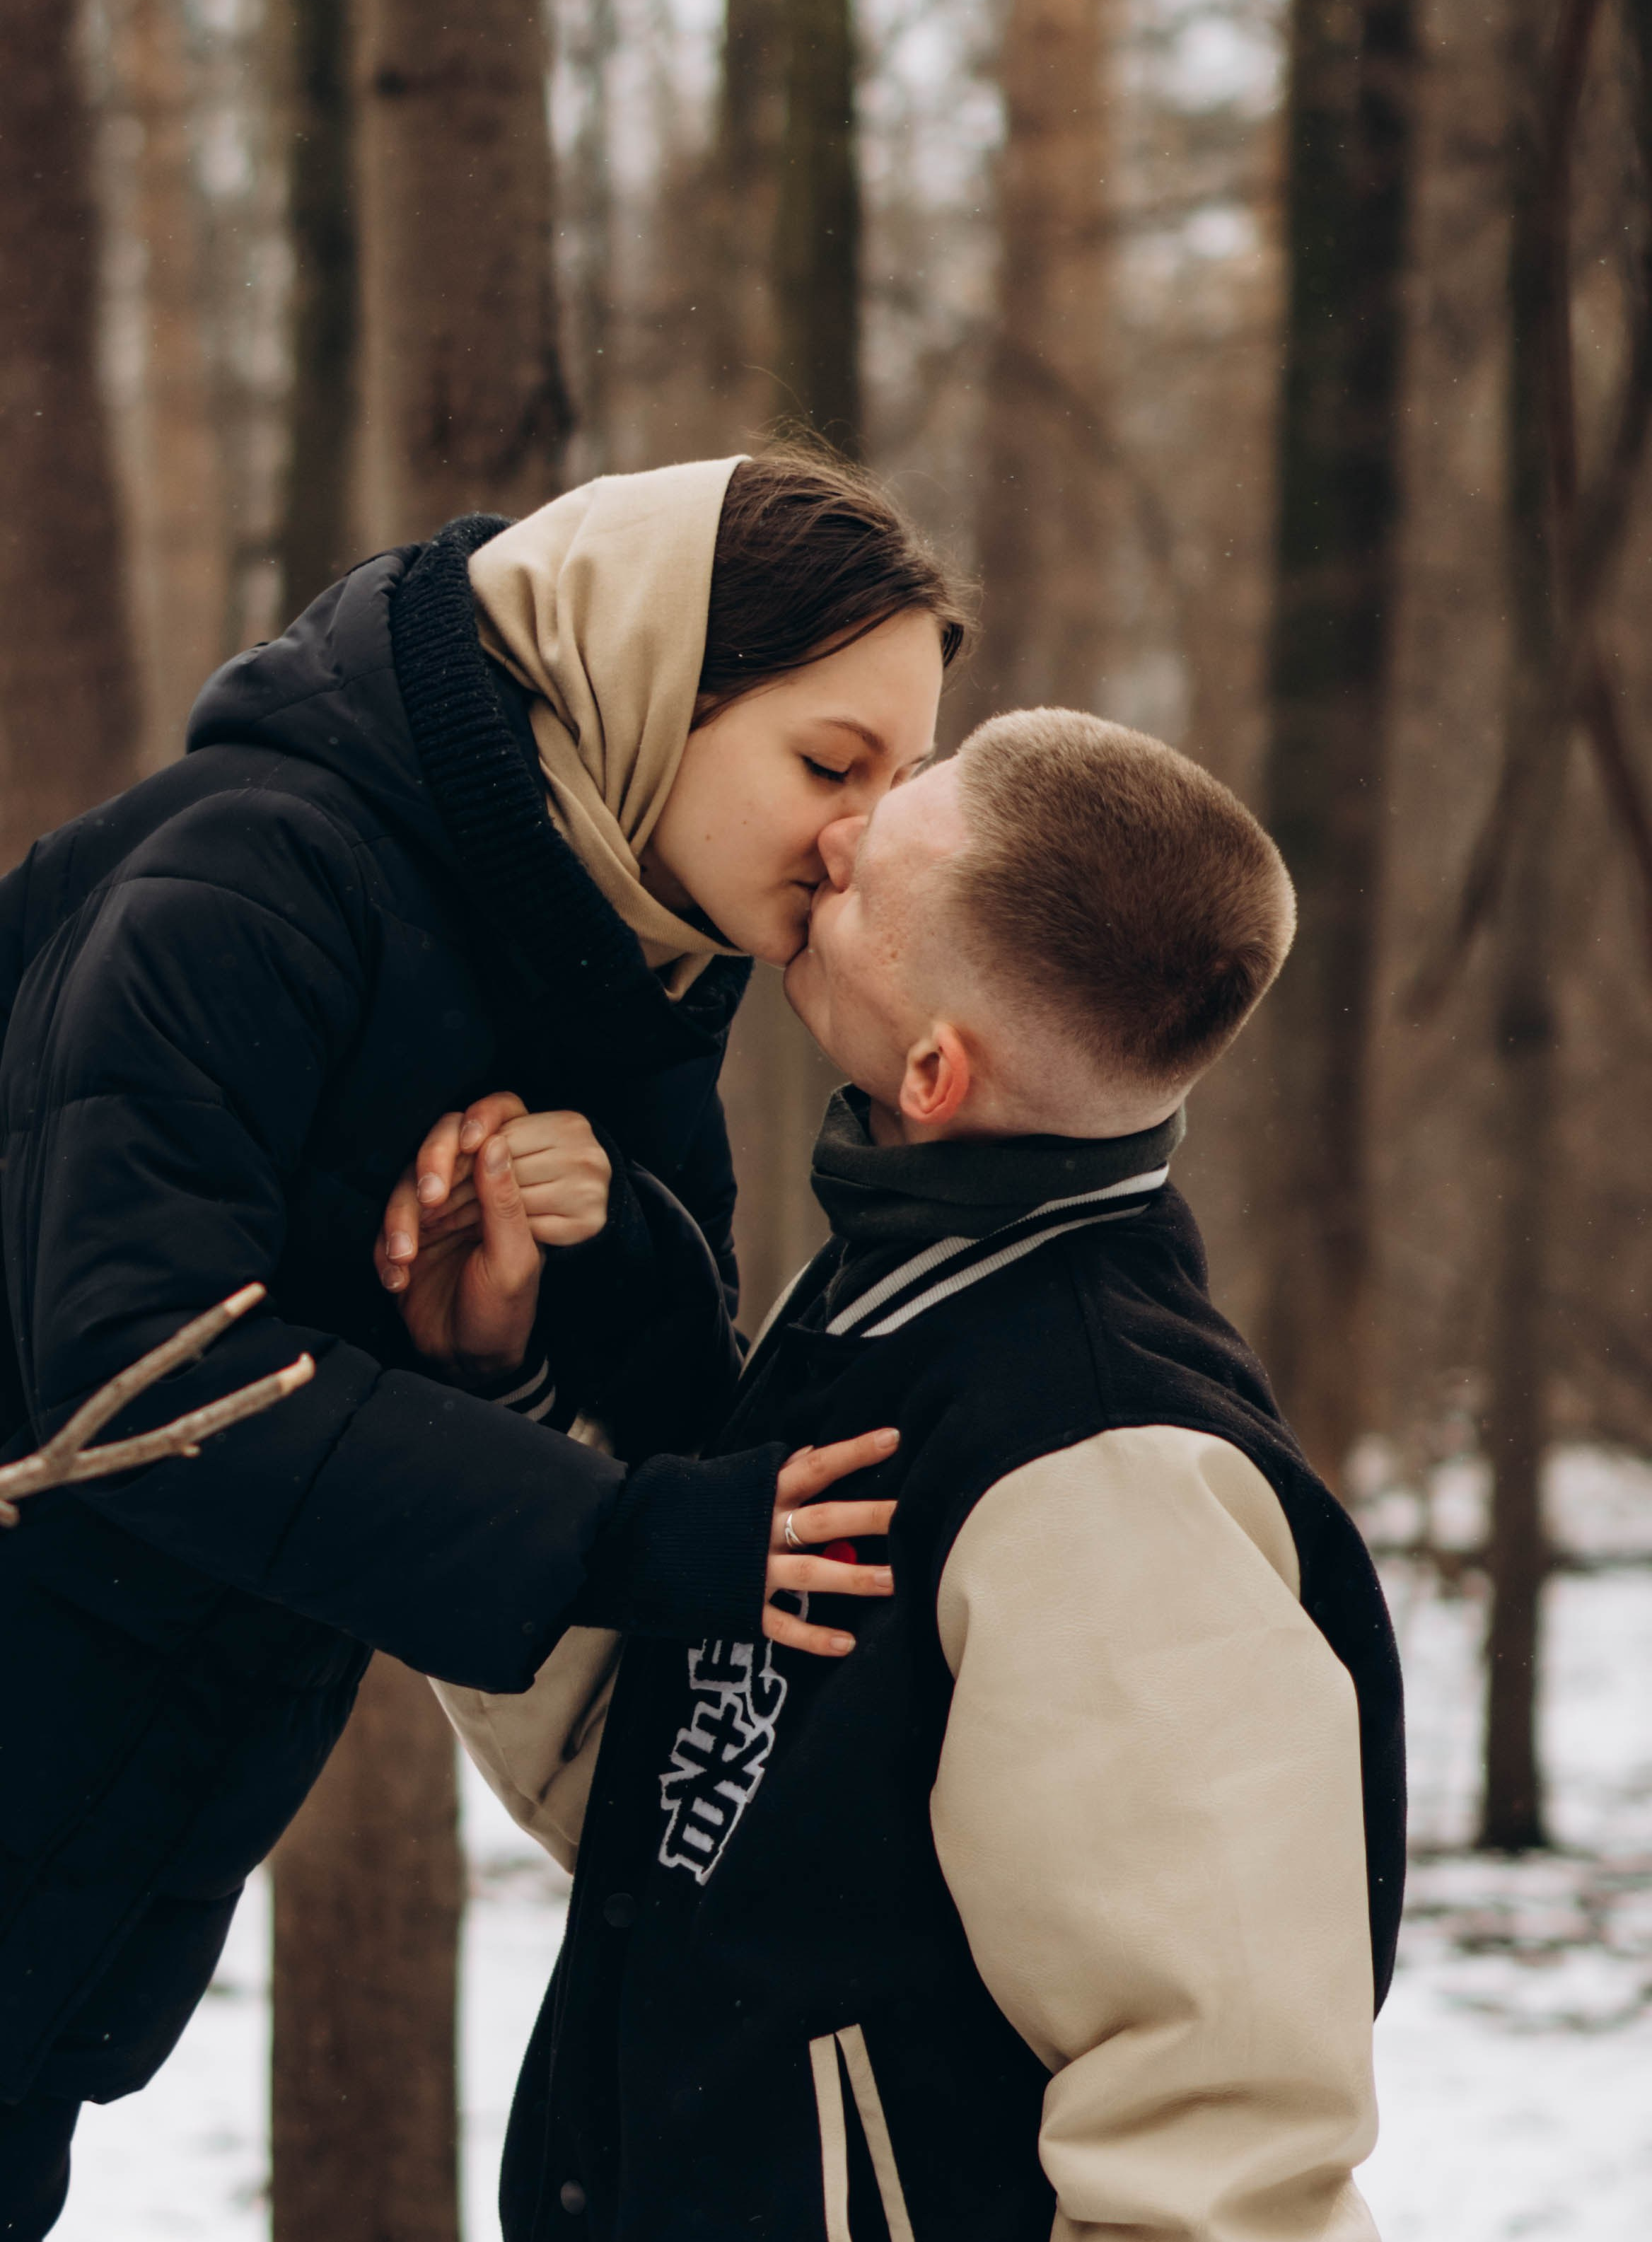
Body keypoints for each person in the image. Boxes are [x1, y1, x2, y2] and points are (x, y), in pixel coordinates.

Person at [0, 448, 966, 2237]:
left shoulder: (633, 982)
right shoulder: (251, 877)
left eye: (906, 782)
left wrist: (553, 1297)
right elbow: (134, 1379)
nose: (864, 836)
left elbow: (683, 1416)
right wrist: (632, 1541)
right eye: (830, 763)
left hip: (109, 1829)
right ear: (639, 689)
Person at [438, 708, 1406, 2242]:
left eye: (867, 875)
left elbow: (1220, 2140)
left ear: (937, 1070)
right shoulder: (903, 1306)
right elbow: (707, 1793)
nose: (826, 836)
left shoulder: (1104, 1477)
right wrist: (508, 1405)